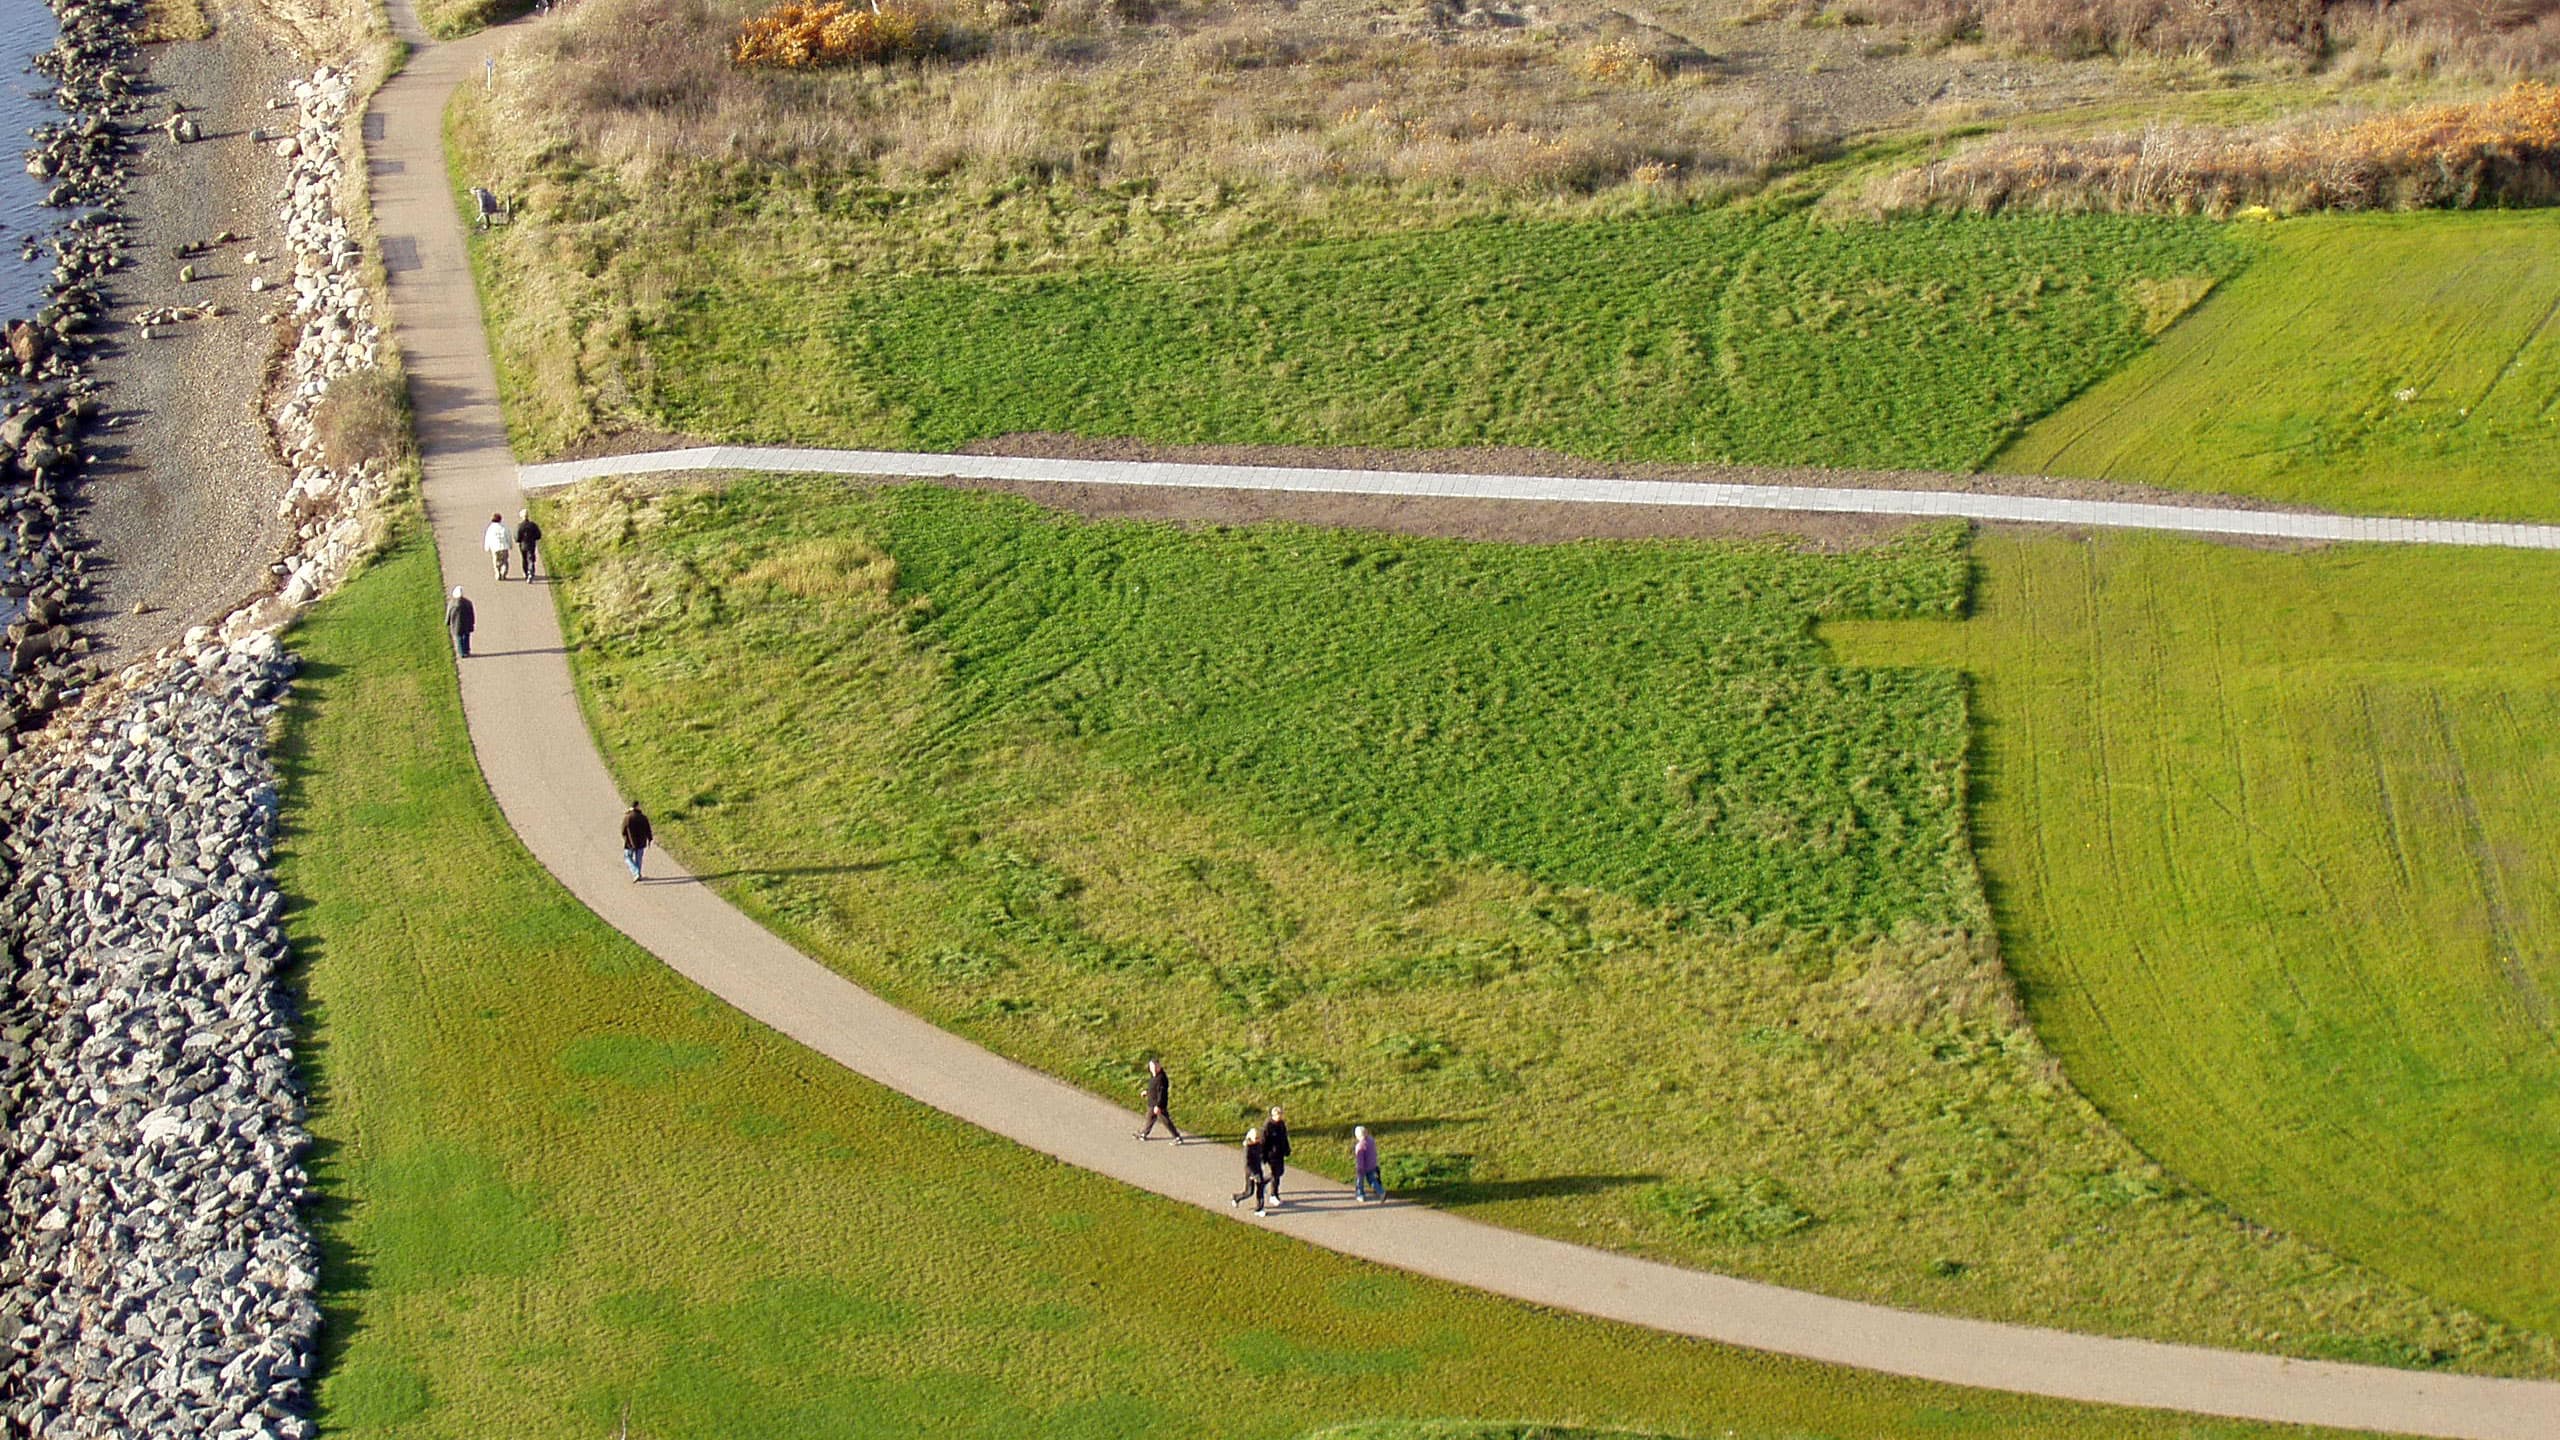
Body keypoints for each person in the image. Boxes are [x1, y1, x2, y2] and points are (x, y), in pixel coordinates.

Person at [1135, 1057, 1184, 1143]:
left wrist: (1158, 1106)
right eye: (1151, 1067)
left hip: (1158, 1104)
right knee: (1150, 1118)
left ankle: (1177, 1137)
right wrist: (1147, 1092)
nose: (1152, 1069)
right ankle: (1144, 1134)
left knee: (1166, 1121)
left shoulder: (1161, 1078)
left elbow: (1162, 1093)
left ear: (1159, 1066)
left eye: (1154, 1067)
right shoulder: (1154, 1076)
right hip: (1152, 1103)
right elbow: (1153, 1088)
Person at [1230, 1126, 1267, 1217]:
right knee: (1249, 1192)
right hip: (1251, 1172)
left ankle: (1259, 1208)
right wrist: (1253, 1175)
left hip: (1258, 1170)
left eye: (1259, 1138)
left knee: (1260, 1189)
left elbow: (1261, 1154)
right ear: (1250, 1138)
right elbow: (1247, 1164)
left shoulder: (1258, 1144)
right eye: (1256, 1138)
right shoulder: (1247, 1148)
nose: (1258, 1140)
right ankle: (1236, 1197)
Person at [1262, 1106, 1291, 1206]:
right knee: (1275, 1174)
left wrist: (1287, 1149)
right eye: (1277, 1114)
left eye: (1280, 1114)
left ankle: (1263, 1182)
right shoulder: (1268, 1126)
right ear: (1273, 1115)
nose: (1279, 1116)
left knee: (1280, 1171)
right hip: (1271, 1154)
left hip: (1280, 1153)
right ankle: (1274, 1195)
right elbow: (1264, 1142)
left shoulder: (1282, 1124)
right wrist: (1263, 1156)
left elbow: (1285, 1137)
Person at [620, 800, 653, 882]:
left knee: (628, 857)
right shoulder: (643, 817)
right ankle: (638, 873)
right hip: (641, 842)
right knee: (639, 859)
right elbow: (648, 829)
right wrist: (649, 838)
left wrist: (626, 838)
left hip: (630, 843)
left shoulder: (627, 818)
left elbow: (623, 830)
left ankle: (636, 872)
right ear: (637, 806)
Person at [1352, 1125, 1384, 1203]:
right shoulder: (1371, 1140)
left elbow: (1360, 1160)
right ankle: (1381, 1192)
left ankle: (1361, 1195)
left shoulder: (1359, 1146)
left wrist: (1359, 1169)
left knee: (1360, 1181)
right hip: (1372, 1165)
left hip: (1363, 1168)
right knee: (1372, 1180)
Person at [444, 586, 475, 658]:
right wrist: (472, 622)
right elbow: (471, 614)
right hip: (467, 624)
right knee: (466, 637)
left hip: (456, 625)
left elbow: (448, 614)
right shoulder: (468, 603)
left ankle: (461, 652)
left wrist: (447, 622)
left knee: (459, 638)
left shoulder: (452, 604)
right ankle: (467, 650)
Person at [514, 509, 543, 581]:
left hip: (523, 545)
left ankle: (526, 572)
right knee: (531, 559)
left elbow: (517, 538)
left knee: (524, 559)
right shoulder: (533, 525)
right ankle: (531, 572)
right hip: (531, 545)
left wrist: (519, 540)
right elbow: (538, 535)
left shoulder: (520, 526)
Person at [483, 512, 512, 579]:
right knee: (505, 561)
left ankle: (498, 573)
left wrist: (486, 547)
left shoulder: (490, 528)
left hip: (495, 548)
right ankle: (503, 572)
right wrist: (510, 545)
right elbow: (508, 536)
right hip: (504, 547)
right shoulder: (504, 527)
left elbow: (488, 538)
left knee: (496, 561)